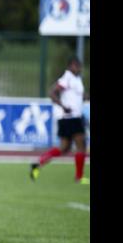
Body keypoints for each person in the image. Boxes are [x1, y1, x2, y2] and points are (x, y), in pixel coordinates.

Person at [31, 56, 89, 184]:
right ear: (70, 66)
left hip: (70, 118)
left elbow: (79, 96)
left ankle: (38, 163)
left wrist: (85, 97)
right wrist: (63, 106)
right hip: (70, 117)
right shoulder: (67, 77)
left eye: (79, 66)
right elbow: (52, 93)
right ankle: (79, 177)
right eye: (76, 65)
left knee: (64, 148)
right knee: (81, 146)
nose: (79, 68)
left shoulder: (76, 79)